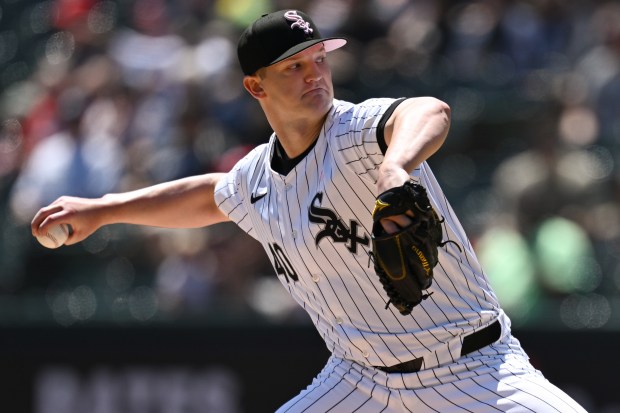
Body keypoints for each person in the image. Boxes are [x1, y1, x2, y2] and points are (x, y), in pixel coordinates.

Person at [32, 9, 587, 413]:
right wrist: (104, 209)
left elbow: (428, 110)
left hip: (473, 369)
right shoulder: (256, 178)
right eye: (293, 67)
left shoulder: (355, 132)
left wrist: (395, 168)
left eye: (319, 60)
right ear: (255, 86)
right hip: (359, 383)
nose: (314, 75)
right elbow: (211, 194)